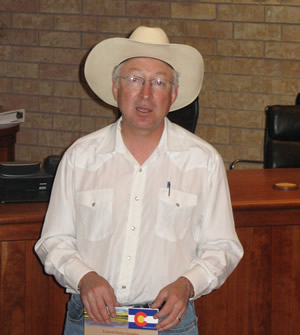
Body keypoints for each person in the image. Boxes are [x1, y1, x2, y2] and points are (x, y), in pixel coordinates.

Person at [35, 26, 243, 335]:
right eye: (134, 79)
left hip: (167, 322)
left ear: (173, 94)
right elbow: (53, 241)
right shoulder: (82, 157)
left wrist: (188, 284)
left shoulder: (203, 161)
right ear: (116, 88)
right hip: (95, 318)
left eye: (159, 82)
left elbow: (223, 246)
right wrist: (85, 277)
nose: (146, 94)